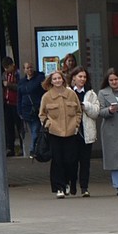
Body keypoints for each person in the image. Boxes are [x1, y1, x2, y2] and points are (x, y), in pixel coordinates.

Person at [39, 69, 82, 198]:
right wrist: (48, 124)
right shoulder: (47, 96)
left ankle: (68, 182)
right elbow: (42, 114)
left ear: (63, 79)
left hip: (70, 132)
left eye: (59, 78)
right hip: (54, 133)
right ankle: (59, 187)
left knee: (70, 160)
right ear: (51, 81)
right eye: (55, 79)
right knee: (57, 160)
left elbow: (78, 111)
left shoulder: (71, 94)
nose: (57, 81)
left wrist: (76, 124)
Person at [69, 67, 99, 196]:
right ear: (74, 78)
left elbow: (96, 112)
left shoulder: (91, 94)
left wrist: (85, 106)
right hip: (72, 132)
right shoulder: (68, 93)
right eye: (80, 76)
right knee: (72, 161)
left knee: (85, 162)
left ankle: (84, 187)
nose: (82, 79)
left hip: (86, 132)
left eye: (84, 77)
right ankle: (72, 184)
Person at [17, 61, 45, 158]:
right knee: (31, 130)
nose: (29, 70)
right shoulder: (22, 82)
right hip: (26, 109)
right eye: (27, 68)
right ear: (24, 70)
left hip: (36, 108)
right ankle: (36, 148)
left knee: (35, 130)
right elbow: (19, 97)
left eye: (31, 67)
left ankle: (33, 150)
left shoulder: (39, 79)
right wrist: (19, 110)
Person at [1, 57, 22, 156]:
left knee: (19, 126)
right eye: (4, 68)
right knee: (9, 127)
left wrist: (9, 85)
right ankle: (10, 148)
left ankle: (22, 147)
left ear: (12, 65)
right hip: (7, 103)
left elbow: (20, 87)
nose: (6, 70)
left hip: (16, 103)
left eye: (7, 67)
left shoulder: (18, 73)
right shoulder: (4, 75)